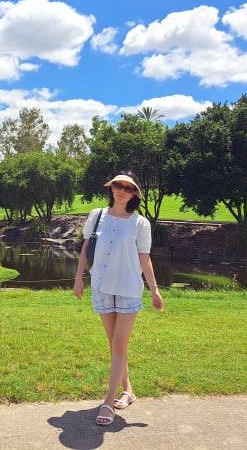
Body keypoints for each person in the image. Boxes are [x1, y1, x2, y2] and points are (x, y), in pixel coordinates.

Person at [73, 171, 164, 426]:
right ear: (111, 188)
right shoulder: (97, 215)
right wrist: (79, 279)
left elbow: (144, 258)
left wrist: (154, 289)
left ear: (135, 193)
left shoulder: (140, 223)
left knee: (119, 343)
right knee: (114, 344)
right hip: (101, 286)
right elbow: (85, 249)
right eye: (118, 185)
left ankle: (108, 402)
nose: (121, 190)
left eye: (128, 187)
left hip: (128, 288)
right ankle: (128, 390)